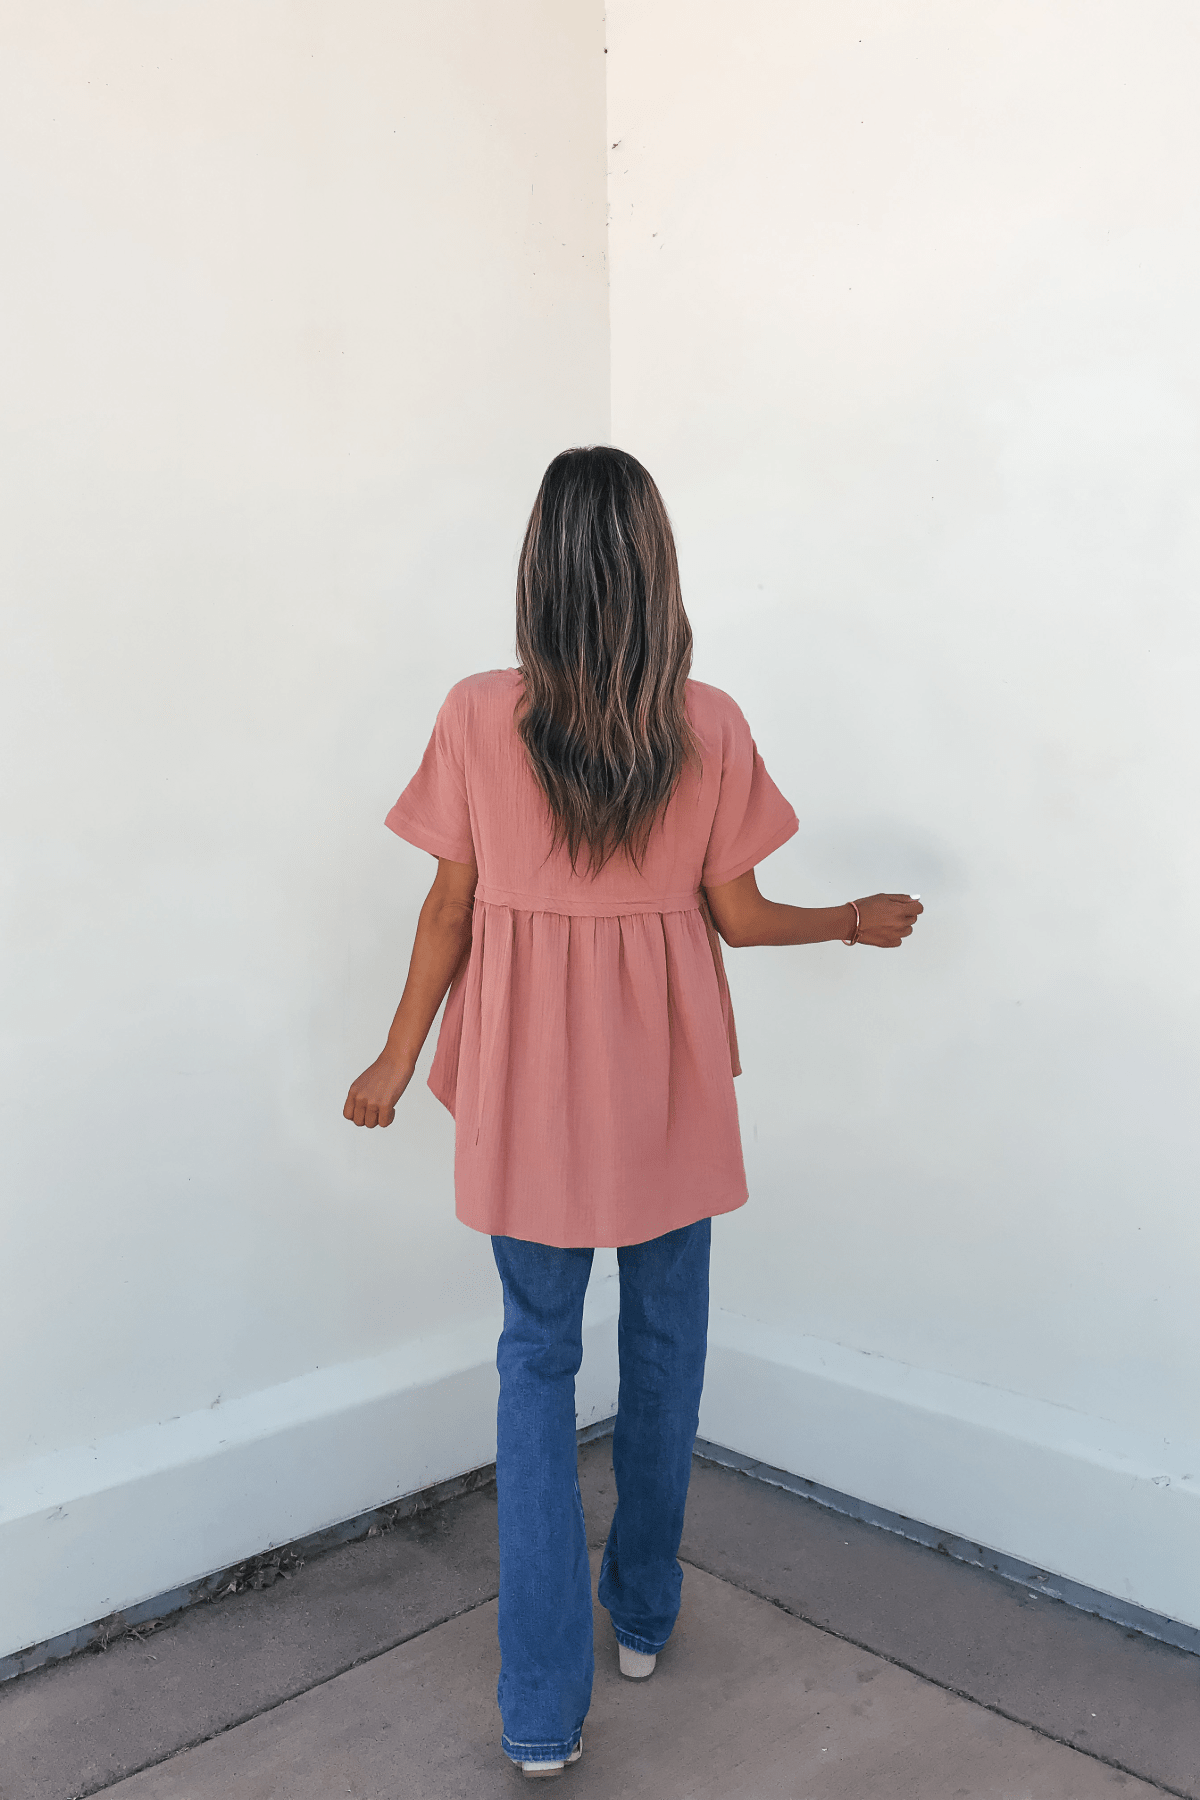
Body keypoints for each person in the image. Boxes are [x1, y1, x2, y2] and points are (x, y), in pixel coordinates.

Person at [343, 447, 922, 1777]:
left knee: (534, 1368)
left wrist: (391, 1057)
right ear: (658, 568)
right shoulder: (706, 721)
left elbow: (446, 909)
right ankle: (643, 1615)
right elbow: (735, 914)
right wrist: (848, 921)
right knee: (664, 1354)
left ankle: (540, 1711)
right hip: (661, 1082)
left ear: (539, 567)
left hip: (525, 1086)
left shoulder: (479, 713)